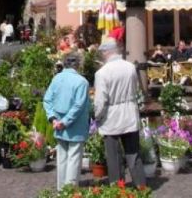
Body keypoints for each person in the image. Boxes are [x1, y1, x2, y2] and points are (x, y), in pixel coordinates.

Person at [94, 37, 145, 187]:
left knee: (114, 157)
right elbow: (136, 90)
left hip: (112, 117)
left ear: (106, 52)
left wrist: (97, 116)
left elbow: (100, 101)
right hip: (129, 113)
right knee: (133, 154)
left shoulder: (102, 73)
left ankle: (117, 189)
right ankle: (141, 186)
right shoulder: (130, 67)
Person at [43, 53, 90, 191]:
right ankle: (70, 191)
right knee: (74, 160)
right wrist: (64, 121)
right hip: (75, 126)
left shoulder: (56, 78)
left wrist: (53, 119)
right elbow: (78, 106)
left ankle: (61, 190)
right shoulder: (82, 82)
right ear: (78, 64)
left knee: (62, 158)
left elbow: (47, 100)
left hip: (58, 125)